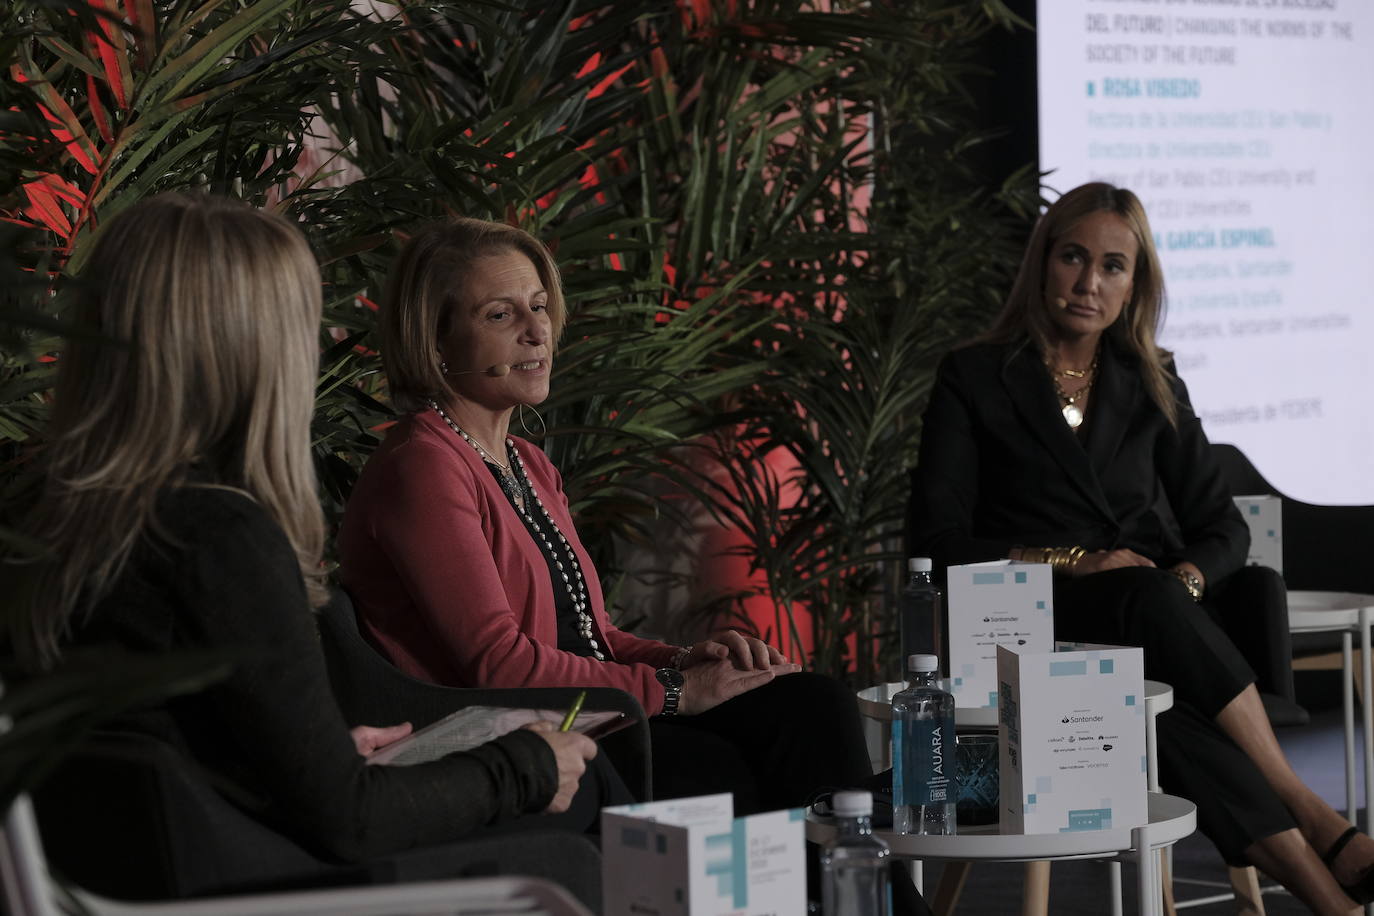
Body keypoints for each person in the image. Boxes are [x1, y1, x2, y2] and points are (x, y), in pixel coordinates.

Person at [0, 194, 606, 893]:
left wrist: (309, 757)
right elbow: (352, 822)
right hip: (242, 896)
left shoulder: (57, 523)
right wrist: (524, 765)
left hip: (133, 883)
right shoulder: (219, 537)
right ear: (249, 347)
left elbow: (160, 751)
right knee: (579, 833)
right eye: (302, 327)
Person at [338, 217, 930, 914]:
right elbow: (499, 666)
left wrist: (691, 661)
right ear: (435, 342)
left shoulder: (527, 463)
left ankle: (869, 903)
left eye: (538, 306)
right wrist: (676, 693)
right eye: (501, 314)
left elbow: (592, 636)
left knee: (808, 702)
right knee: (730, 765)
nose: (536, 330)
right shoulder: (424, 464)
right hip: (519, 735)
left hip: (587, 711)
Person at [907, 181, 1371, 914]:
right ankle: (1314, 815)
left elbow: (1224, 527)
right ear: (1043, 263)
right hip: (1040, 625)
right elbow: (934, 545)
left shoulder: (1153, 380)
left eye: (1114, 267)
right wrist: (1071, 563)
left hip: (1157, 625)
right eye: (1073, 257)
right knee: (1146, 623)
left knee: (1168, 716)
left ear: (1135, 286)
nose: (1090, 282)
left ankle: (1330, 902)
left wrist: (1185, 583)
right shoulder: (973, 377)